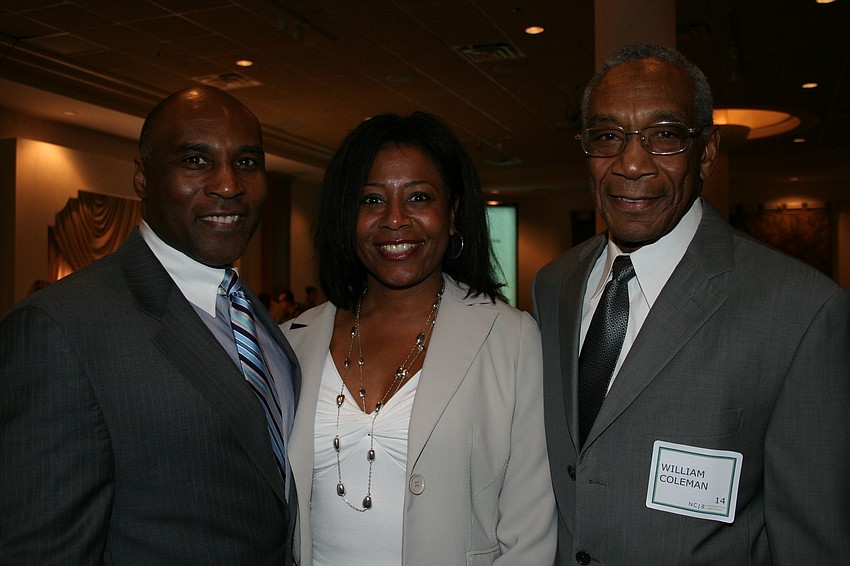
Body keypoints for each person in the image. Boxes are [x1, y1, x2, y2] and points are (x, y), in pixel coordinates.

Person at [533, 43, 850, 565]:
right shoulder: (554, 285)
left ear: (705, 152)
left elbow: (813, 543)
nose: (631, 164)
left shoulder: (803, 313)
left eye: (664, 137)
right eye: (608, 136)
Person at [0, 86, 300, 564]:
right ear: (142, 178)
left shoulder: (259, 322)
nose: (229, 184)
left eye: (246, 162)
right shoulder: (60, 330)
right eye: (196, 161)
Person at [283, 111, 556, 565]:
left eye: (418, 197)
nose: (394, 220)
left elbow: (529, 534)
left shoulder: (511, 340)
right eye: (371, 200)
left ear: (451, 216)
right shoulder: (294, 341)